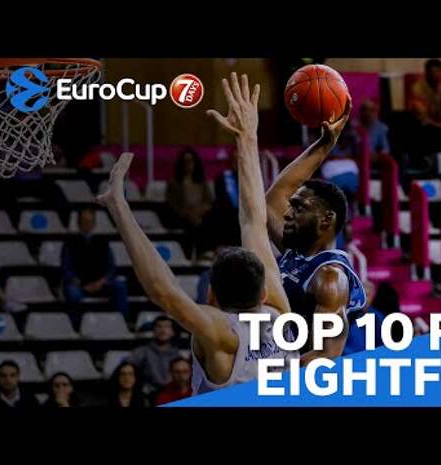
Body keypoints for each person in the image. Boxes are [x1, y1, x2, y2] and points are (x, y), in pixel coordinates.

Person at [98, 73, 297, 395]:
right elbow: (252, 221)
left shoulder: (222, 335)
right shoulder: (281, 314)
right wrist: (248, 137)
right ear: (263, 293)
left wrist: (118, 206)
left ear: (210, 296)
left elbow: (163, 290)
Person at [266, 92, 367, 362]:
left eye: (299, 208)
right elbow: (273, 199)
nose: (288, 214)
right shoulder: (297, 252)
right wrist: (324, 145)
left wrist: (271, 376)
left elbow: (326, 355)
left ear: (326, 219)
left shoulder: (330, 278)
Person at [61, 207, 129, 323]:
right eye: (84, 222)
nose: (87, 224)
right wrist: (81, 284)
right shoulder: (69, 243)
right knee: (72, 293)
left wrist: (101, 282)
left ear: (94, 223)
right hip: (79, 285)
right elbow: (66, 269)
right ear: (78, 223)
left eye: (90, 222)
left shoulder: (103, 242)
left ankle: (122, 322)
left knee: (120, 286)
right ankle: (75, 325)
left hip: (100, 283)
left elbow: (111, 267)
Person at [405, 59, 441, 173]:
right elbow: (420, 111)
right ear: (426, 72)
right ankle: (424, 161)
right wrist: (436, 98)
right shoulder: (417, 87)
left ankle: (436, 159)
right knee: (424, 128)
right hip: (424, 122)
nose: (435, 75)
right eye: (432, 72)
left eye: (438, 72)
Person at [165, 148, 214, 261]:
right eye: (185, 161)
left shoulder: (202, 182)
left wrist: (200, 211)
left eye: (191, 160)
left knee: (207, 222)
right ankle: (188, 256)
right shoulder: (174, 183)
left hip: (201, 215)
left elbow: (209, 201)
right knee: (189, 226)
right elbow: (171, 203)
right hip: (182, 216)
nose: (188, 164)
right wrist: (187, 213)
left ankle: (203, 254)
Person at [128, 315, 181, 395]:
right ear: (153, 331)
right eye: (159, 326)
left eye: (167, 327)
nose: (163, 330)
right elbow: (126, 368)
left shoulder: (177, 354)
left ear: (173, 332)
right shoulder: (141, 351)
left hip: (171, 393)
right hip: (146, 393)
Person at [342, 280, 385, 355]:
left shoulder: (377, 317)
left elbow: (381, 346)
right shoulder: (345, 314)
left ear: (372, 297)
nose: (364, 299)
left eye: (367, 295)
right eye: (361, 295)